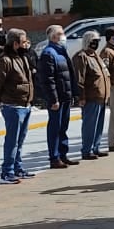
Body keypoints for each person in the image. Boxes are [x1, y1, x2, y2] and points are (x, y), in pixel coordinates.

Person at [0, 28, 35, 184]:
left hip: (25, 104)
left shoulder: (22, 58)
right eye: (24, 42)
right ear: (15, 43)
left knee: (20, 140)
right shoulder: (4, 60)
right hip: (12, 105)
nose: (26, 45)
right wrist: (0, 100)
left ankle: (18, 168)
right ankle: (7, 172)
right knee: (12, 140)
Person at [38, 24, 79, 168]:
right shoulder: (48, 53)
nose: (64, 36)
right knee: (55, 128)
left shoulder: (61, 51)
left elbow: (70, 75)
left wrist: (73, 93)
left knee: (63, 127)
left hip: (65, 96)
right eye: (61, 33)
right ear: (54, 36)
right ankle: (54, 157)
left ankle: (63, 154)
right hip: (57, 99)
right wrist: (53, 99)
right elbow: (48, 80)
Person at [73, 30, 110, 160]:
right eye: (94, 41)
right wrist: (81, 96)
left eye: (98, 41)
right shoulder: (81, 57)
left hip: (101, 96)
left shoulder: (96, 56)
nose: (96, 44)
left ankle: (96, 147)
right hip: (90, 97)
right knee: (90, 125)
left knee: (98, 125)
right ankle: (87, 150)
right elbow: (80, 79)